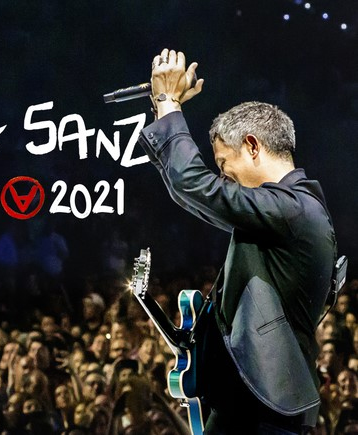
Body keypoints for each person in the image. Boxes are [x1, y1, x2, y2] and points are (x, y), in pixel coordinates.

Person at [137, 48, 338, 433]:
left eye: (223, 163)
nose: (223, 177)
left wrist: (168, 103)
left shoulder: (293, 210)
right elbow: (192, 193)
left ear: (252, 146)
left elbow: (195, 185)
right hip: (249, 407)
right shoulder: (284, 213)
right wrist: (163, 113)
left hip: (262, 413)